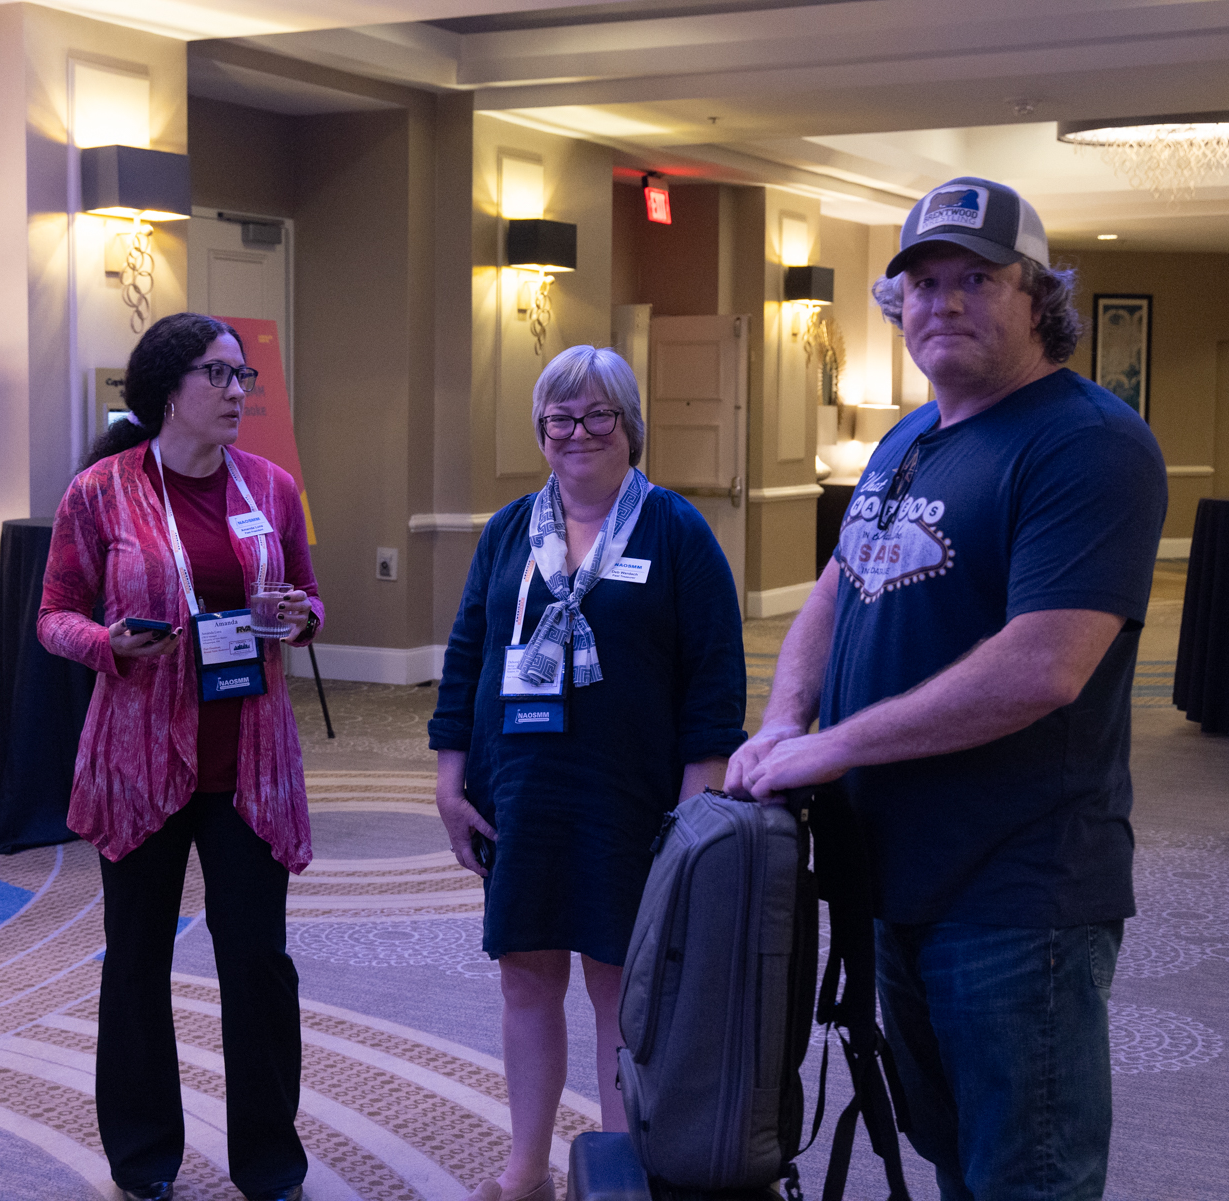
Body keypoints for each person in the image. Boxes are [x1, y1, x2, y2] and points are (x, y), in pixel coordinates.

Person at [726, 177, 1166, 1200]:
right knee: (950, 1153)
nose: (945, 301)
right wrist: (785, 720)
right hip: (894, 876)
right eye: (923, 283)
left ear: (1039, 297)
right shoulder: (906, 440)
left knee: (1028, 1174)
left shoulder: (1087, 442)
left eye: (978, 277)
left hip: (1018, 890)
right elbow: (835, 593)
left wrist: (833, 745)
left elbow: (1044, 665)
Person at [430, 344, 747, 1201]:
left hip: (632, 800)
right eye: (560, 417)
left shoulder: (676, 531)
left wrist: (694, 817)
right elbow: (466, 658)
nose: (578, 432)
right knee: (526, 977)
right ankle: (526, 1168)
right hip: (521, 794)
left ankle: (618, 1171)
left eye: (598, 414)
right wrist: (451, 780)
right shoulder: (509, 531)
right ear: (541, 429)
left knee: (622, 990)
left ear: (630, 425)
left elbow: (716, 684)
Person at [38, 312, 321, 1201]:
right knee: (135, 959)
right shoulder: (100, 492)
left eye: (243, 376)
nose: (238, 392)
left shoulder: (271, 485)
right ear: (169, 388)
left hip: (248, 762)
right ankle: (143, 1155)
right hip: (140, 762)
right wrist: (109, 644)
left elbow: (308, 595)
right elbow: (53, 616)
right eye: (219, 375)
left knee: (258, 962)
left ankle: (269, 1162)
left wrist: (301, 616)